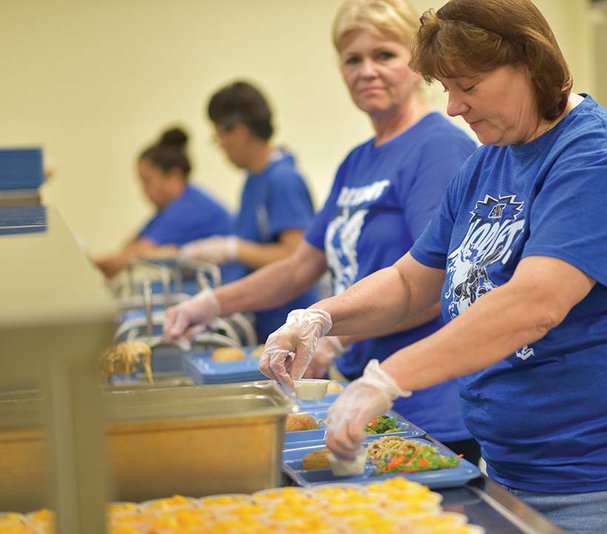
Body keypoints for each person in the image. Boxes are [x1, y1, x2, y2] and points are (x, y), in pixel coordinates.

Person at [258, 0, 607, 532]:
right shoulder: (486, 161)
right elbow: (409, 283)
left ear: (529, 64)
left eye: (467, 86)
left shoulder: (598, 157)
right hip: (511, 470)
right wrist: (318, 317)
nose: (453, 107)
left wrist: (386, 379)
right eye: (447, 89)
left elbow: (532, 305)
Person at [164, 0, 480, 462]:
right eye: (353, 59)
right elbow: (297, 268)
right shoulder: (358, 160)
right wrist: (211, 304)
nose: (367, 71)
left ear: (418, 65)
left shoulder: (440, 147)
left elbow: (430, 285)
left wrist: (335, 332)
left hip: (426, 405)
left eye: (384, 55)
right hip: (360, 394)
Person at [179, 81, 318, 339]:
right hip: (263, 318)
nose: (220, 145)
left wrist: (233, 249)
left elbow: (297, 255)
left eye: (219, 136)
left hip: (289, 324)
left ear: (240, 131)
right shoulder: (254, 180)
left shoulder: (283, 180)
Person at [93, 127, 234, 279]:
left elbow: (129, 258)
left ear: (174, 176)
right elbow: (128, 249)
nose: (143, 190)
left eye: (147, 181)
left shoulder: (189, 208)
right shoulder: (169, 209)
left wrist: (87, 264)